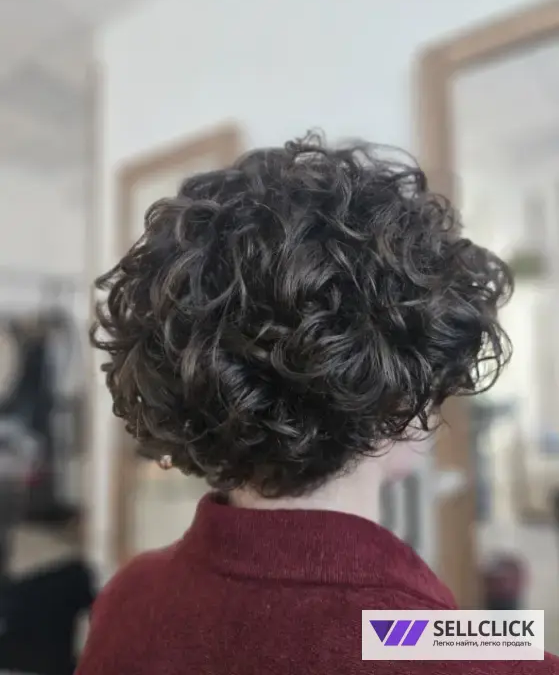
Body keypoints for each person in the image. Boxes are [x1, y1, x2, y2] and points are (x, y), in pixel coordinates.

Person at [77, 136, 559, 674]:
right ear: (401, 397)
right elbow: (406, 635)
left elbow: (410, 631)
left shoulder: (129, 597)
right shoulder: (490, 658)